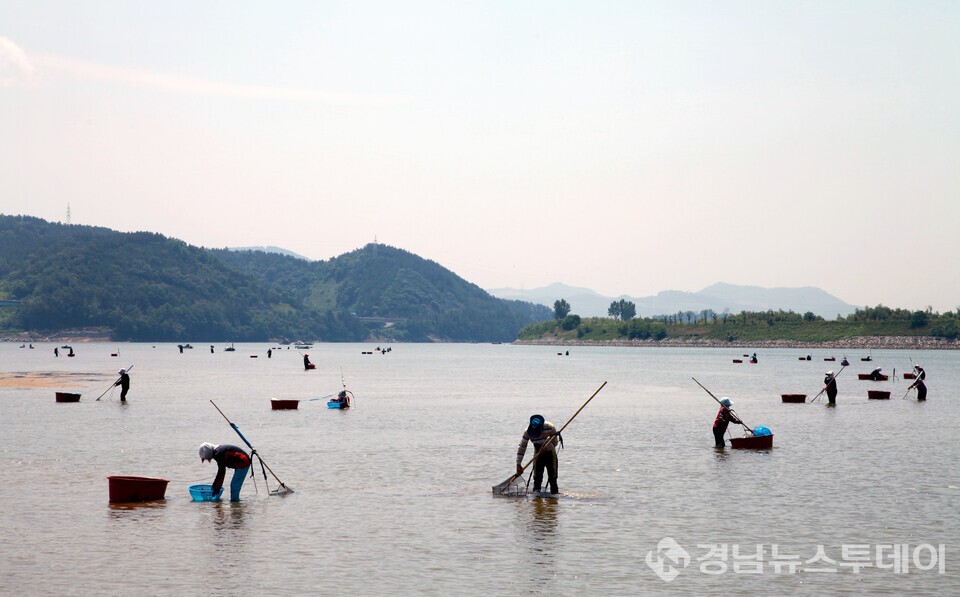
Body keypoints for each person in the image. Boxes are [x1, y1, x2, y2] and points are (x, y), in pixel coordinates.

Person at [516, 414, 561, 494]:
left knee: (553, 479)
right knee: (537, 479)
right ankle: (537, 501)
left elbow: (555, 442)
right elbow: (522, 447)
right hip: (537, 454)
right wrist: (518, 464)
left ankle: (553, 501)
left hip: (550, 454)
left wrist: (547, 447)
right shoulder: (527, 432)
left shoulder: (550, 427)